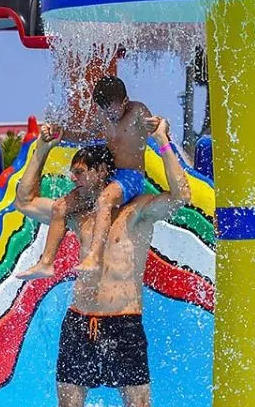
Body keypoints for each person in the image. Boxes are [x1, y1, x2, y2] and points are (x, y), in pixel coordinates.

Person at [15, 117, 191, 407]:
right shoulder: (76, 214)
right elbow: (24, 201)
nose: (74, 179)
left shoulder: (136, 212)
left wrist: (162, 142)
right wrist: (41, 150)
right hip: (81, 323)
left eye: (80, 172)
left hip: (124, 323)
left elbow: (181, 196)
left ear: (100, 172)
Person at [17, 76, 156, 280]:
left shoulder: (137, 111)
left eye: (112, 109)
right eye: (104, 110)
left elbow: (154, 125)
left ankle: (94, 258)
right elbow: (87, 135)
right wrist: (62, 134)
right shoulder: (105, 117)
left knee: (104, 200)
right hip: (109, 176)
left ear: (125, 101)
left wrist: (160, 125)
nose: (109, 115)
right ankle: (46, 263)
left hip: (131, 177)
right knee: (60, 208)